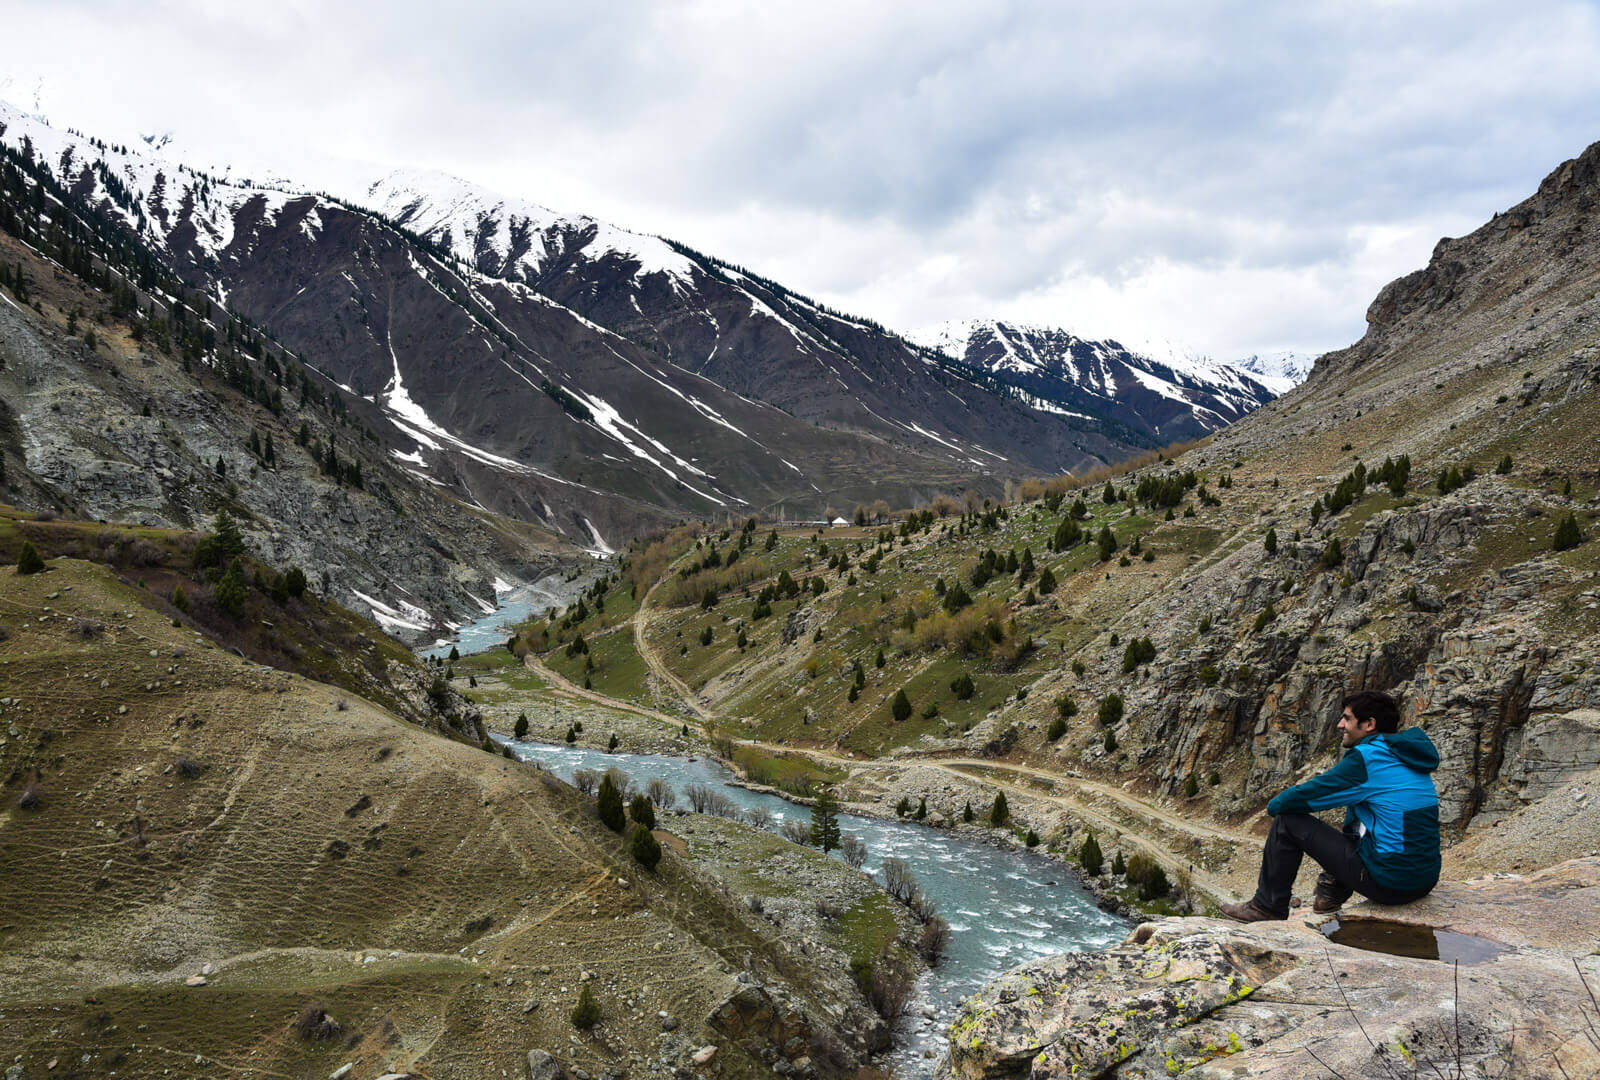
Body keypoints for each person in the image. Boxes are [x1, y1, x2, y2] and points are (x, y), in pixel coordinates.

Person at [1221, 689, 1440, 923]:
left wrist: (1274, 806)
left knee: (1288, 821)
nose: (1339, 725)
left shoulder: (1368, 758)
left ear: (1369, 724)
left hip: (1391, 883)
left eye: (1346, 718)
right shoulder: (1403, 755)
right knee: (1362, 807)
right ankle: (1332, 893)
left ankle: (1267, 907)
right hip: (1424, 880)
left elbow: (1298, 799)